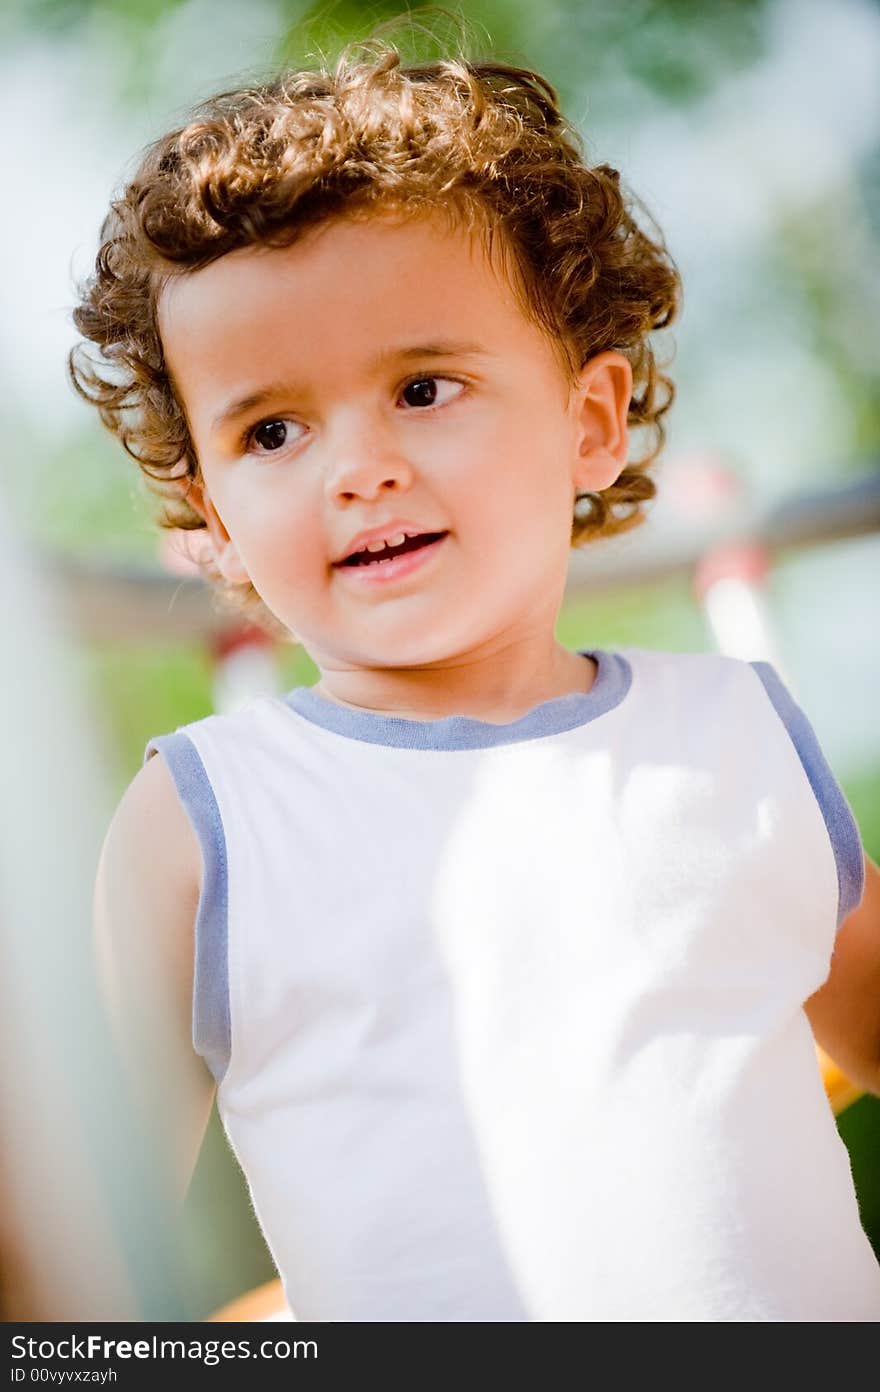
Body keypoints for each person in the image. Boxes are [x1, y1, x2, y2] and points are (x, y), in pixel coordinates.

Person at [69, 33, 880, 1321]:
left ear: (590, 422)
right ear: (210, 515)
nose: (358, 466)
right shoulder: (207, 820)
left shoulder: (732, 734)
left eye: (424, 385)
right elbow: (75, 1234)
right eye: (270, 430)